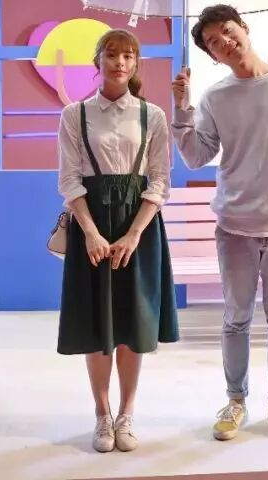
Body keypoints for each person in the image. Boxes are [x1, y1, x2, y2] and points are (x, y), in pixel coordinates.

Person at [170, 4, 268, 442]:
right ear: (211, 56)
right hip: (234, 227)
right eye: (213, 42)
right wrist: (181, 110)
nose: (224, 42)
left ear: (244, 27)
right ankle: (235, 401)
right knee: (236, 319)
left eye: (228, 30)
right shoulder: (215, 97)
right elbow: (197, 156)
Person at [56, 28, 180, 453]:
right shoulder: (75, 114)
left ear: (136, 64)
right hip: (91, 225)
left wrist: (134, 233)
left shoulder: (152, 115)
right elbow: (69, 178)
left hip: (138, 228)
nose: (120, 63)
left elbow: (160, 181)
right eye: (112, 55)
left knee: (133, 324)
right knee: (97, 325)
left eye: (128, 56)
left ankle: (127, 414)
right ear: (98, 61)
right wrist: (90, 232)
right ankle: (102, 414)